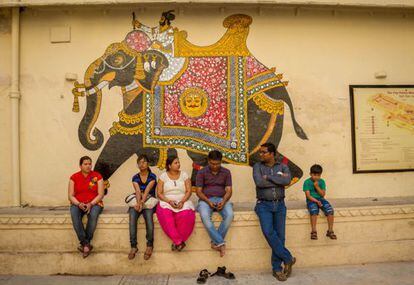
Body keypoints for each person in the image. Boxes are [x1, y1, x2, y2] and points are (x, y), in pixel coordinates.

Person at [252, 143, 296, 281]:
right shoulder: (257, 167)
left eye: (264, 152)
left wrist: (269, 177)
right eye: (260, 152)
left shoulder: (282, 166)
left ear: (272, 153)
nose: (261, 154)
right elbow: (259, 183)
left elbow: (287, 180)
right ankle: (288, 258)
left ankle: (277, 269)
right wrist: (279, 180)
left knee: (280, 237)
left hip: (280, 205)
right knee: (268, 232)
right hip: (263, 205)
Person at [196, 150, 233, 257]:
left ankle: (216, 242)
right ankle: (220, 243)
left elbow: (229, 190)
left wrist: (224, 200)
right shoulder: (201, 172)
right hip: (205, 200)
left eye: (217, 164)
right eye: (212, 163)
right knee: (205, 216)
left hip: (222, 199)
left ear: (221, 162)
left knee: (230, 215)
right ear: (208, 161)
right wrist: (208, 201)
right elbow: (198, 191)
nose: (215, 166)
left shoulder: (226, 172)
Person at [156, 155, 195, 251]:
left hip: (183, 200)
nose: (178, 164)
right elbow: (159, 193)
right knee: (165, 215)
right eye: (176, 163)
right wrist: (169, 201)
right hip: (167, 201)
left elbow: (188, 191)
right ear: (169, 165)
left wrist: (182, 201)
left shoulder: (184, 175)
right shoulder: (163, 176)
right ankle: (178, 241)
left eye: (178, 162)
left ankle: (178, 241)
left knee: (186, 215)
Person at [68, 156, 104, 258]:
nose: (88, 166)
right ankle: (86, 244)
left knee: (93, 215)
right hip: (78, 203)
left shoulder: (98, 176)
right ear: (80, 165)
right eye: (85, 164)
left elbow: (100, 194)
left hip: (95, 203)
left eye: (89, 164)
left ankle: (85, 244)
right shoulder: (74, 177)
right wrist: (79, 204)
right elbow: (70, 195)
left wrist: (91, 204)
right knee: (74, 215)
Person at [128, 154, 158, 260]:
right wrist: (138, 203)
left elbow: (147, 191)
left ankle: (149, 245)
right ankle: (133, 246)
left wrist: (141, 203)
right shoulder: (135, 177)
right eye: (139, 162)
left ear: (148, 163)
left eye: (144, 162)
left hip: (149, 202)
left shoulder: (152, 176)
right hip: (138, 200)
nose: (142, 164)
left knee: (149, 219)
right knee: (132, 218)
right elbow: (137, 191)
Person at [303, 164, 337, 240]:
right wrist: (316, 201)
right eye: (314, 175)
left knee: (330, 210)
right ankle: (314, 231)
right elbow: (308, 196)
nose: (316, 177)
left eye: (318, 175)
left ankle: (330, 230)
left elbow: (323, 194)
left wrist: (317, 187)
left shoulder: (321, 182)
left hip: (321, 199)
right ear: (310, 174)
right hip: (311, 200)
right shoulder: (307, 182)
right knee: (314, 210)